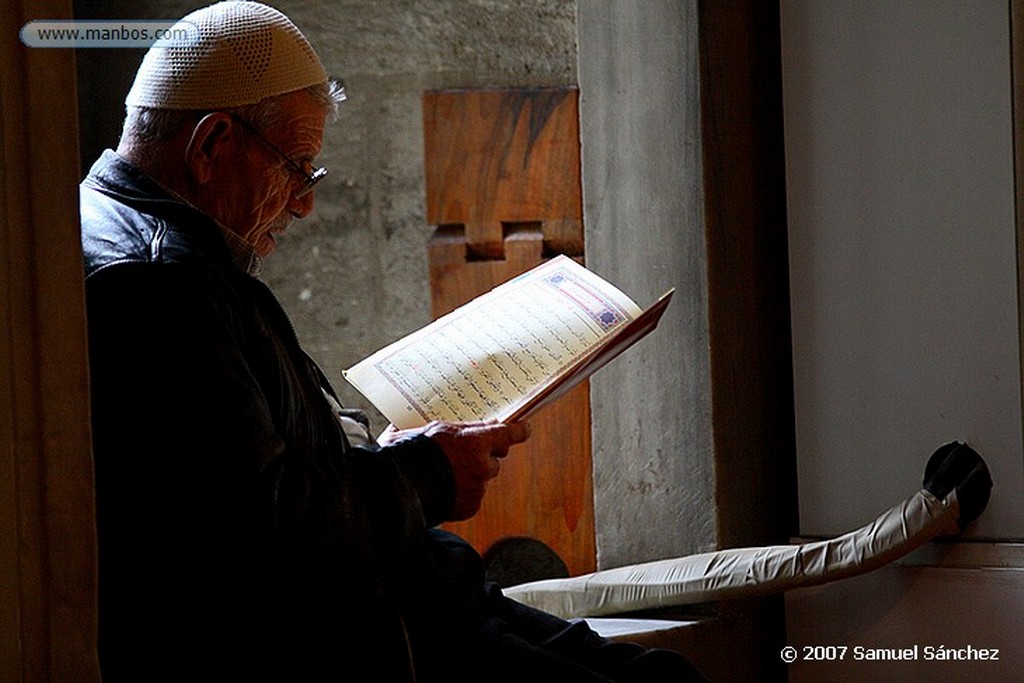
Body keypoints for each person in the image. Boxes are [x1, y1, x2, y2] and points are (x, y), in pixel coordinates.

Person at [79, 2, 707, 681]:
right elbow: (260, 530)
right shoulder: (154, 283)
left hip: (422, 599)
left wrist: (392, 460)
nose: (304, 203)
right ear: (210, 146)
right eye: (297, 167)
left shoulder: (154, 246)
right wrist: (429, 471)